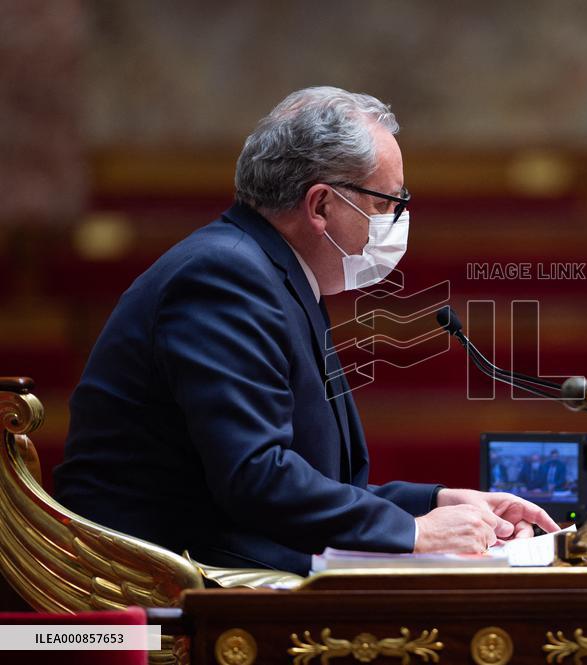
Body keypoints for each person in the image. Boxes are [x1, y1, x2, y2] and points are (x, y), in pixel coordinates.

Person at [53, 86, 558, 576]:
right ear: (320, 206)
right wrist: (415, 532)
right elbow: (256, 477)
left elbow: (317, 484)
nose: (397, 220)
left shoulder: (275, 275)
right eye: (388, 203)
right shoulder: (224, 278)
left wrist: (436, 502)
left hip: (219, 556)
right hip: (149, 584)